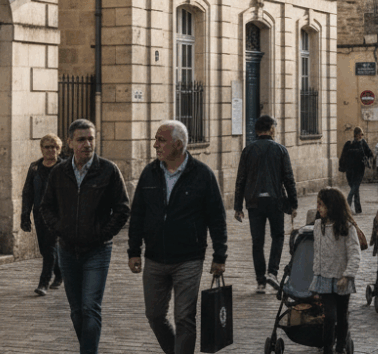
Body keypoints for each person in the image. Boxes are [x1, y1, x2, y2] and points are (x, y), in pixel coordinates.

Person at [128, 120, 227, 354]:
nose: (155, 145)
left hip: (188, 258)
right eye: (156, 139)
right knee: (154, 315)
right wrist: (133, 250)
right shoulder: (150, 173)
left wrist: (219, 255)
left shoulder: (203, 175)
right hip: (154, 258)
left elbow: (217, 218)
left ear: (179, 144)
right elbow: (138, 213)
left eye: (161, 140)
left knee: (184, 317)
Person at [40, 119, 131, 354]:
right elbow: (46, 207)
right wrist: (60, 229)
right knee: (76, 310)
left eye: (91, 138)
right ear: (70, 142)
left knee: (90, 307)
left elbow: (122, 208)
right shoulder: (60, 172)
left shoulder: (108, 170)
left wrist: (103, 233)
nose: (87, 144)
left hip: (98, 250)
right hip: (67, 249)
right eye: (81, 139)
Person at [234, 114, 298, 293]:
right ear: (271, 129)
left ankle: (261, 282)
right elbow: (288, 179)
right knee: (278, 236)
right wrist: (293, 204)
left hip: (254, 202)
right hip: (275, 200)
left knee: (257, 241)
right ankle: (273, 272)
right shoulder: (280, 150)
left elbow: (241, 180)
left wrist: (238, 207)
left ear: (256, 131)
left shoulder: (248, 150)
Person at [310, 187, 361, 354]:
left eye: (321, 204)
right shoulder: (318, 226)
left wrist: (348, 275)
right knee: (329, 317)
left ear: (332, 206)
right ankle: (327, 348)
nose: (318, 208)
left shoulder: (347, 227)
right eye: (317, 204)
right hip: (324, 278)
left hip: (341, 279)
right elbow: (318, 252)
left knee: (342, 316)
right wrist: (316, 276)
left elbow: (354, 253)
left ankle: (340, 346)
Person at [21, 133, 65, 296]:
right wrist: (25, 215)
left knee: (50, 248)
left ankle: (43, 283)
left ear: (59, 149)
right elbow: (28, 192)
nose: (50, 150)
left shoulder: (65, 167)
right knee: (44, 248)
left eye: (54, 147)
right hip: (39, 213)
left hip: (57, 214)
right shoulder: (34, 168)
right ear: (41, 149)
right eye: (47, 147)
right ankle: (60, 273)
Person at [339, 127, 372, 214]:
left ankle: (358, 208)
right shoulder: (362, 143)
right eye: (361, 134)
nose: (361, 136)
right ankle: (347, 205)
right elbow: (370, 153)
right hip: (358, 170)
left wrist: (342, 167)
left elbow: (343, 156)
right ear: (357, 134)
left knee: (355, 188)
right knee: (354, 189)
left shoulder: (348, 144)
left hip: (350, 170)